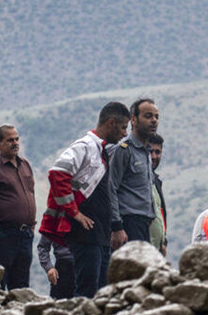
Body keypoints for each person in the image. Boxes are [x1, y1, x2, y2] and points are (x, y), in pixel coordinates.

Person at [40, 102, 129, 298]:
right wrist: (74, 212)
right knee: (87, 290)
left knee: (101, 290)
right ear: (111, 123)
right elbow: (57, 172)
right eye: (123, 127)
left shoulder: (103, 150)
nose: (124, 134)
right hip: (85, 234)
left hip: (100, 233)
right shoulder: (85, 146)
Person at [0, 124, 38, 291]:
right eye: (10, 140)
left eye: (17, 139)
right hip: (4, 235)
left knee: (21, 285)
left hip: (25, 234)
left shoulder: (25, 164)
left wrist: (32, 226)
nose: (15, 143)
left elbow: (31, 193)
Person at [107, 98, 159, 244]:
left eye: (156, 117)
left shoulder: (146, 151)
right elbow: (111, 188)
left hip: (145, 223)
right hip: (129, 222)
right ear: (134, 120)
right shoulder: (124, 149)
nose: (154, 121)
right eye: (148, 116)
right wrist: (117, 226)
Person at [148, 133, 168, 255]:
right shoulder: (135, 180)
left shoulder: (156, 181)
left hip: (157, 250)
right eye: (150, 151)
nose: (154, 156)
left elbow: (160, 213)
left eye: (157, 152)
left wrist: (164, 242)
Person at [37, 233, 73, 299]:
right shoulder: (54, 222)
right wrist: (49, 267)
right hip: (63, 266)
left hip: (85, 265)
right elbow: (43, 246)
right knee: (58, 303)